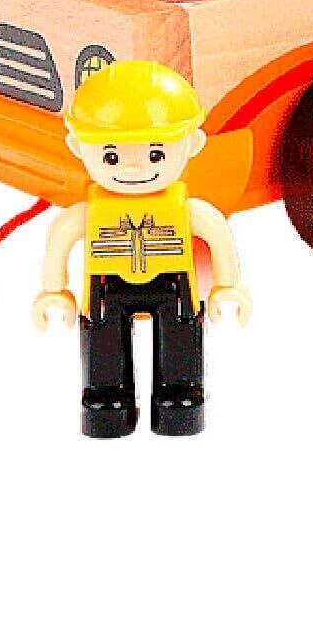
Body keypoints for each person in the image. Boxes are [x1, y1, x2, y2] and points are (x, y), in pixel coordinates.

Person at [32, 61, 251, 437]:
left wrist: (227, 286)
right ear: (78, 147)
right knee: (103, 342)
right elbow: (61, 235)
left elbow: (215, 230)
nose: (133, 168)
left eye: (155, 155)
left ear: (192, 145)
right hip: (105, 287)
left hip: (174, 284)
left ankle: (180, 396)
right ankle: (106, 399)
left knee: (181, 336)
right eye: (112, 157)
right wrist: (54, 291)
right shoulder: (88, 213)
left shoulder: (187, 210)